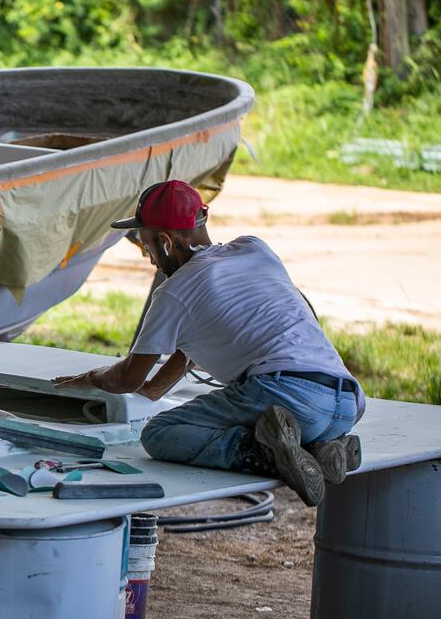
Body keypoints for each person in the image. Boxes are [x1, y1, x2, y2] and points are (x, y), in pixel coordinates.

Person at [52, 180, 363, 506]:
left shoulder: (174, 291)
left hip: (287, 394)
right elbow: (198, 339)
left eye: (147, 246)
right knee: (298, 418)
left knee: (159, 434)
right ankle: (322, 449)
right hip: (346, 402)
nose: (150, 259)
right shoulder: (255, 248)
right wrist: (155, 389)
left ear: (166, 242)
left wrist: (92, 378)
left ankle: (262, 452)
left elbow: (127, 378)